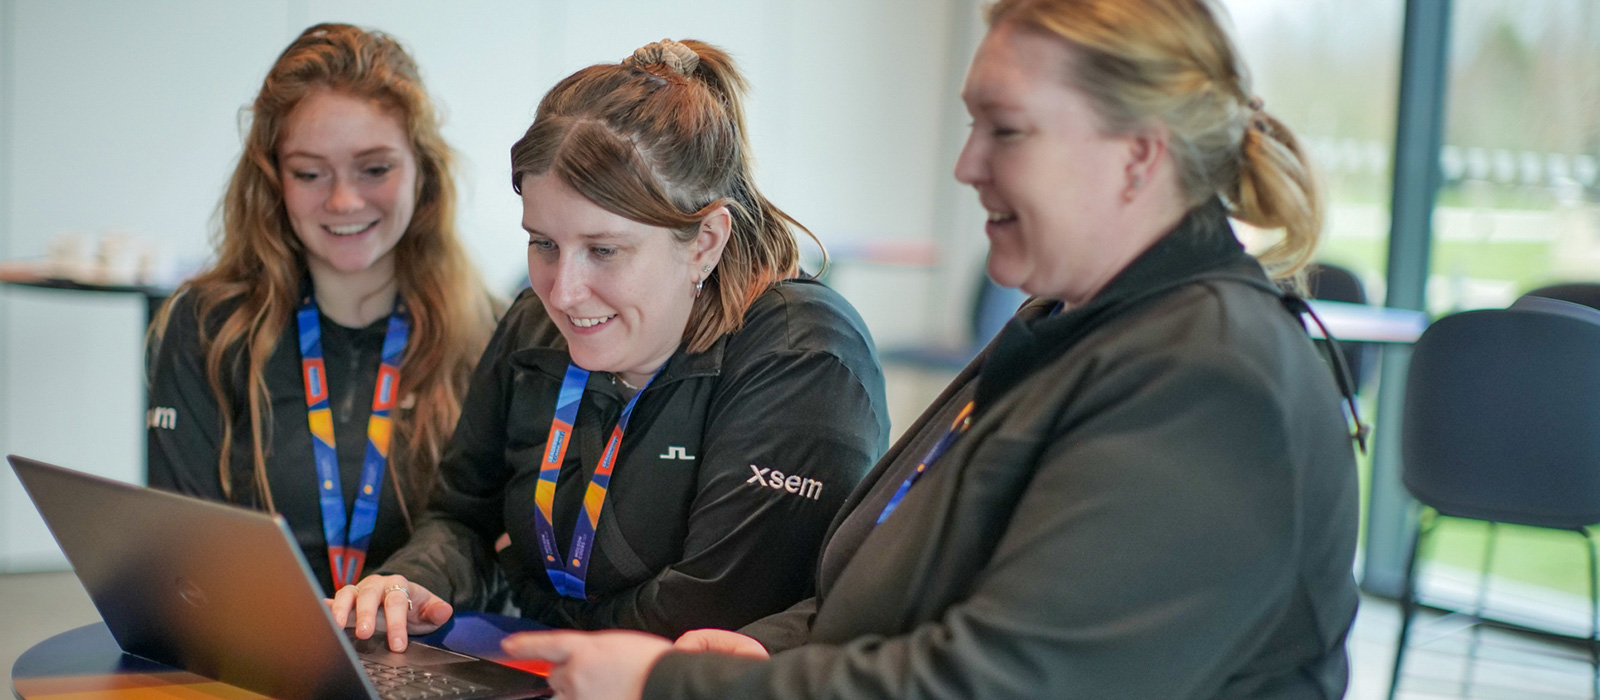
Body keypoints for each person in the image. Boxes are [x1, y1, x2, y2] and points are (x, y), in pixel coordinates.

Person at [494, 1, 1363, 698]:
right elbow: (902, 595)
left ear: (1137, 156)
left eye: (1005, 130)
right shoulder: (1067, 327)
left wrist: (675, 684)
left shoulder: (1213, 378)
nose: (966, 165)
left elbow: (1003, 681)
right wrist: (769, 651)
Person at [330, 39, 891, 651]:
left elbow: (713, 616)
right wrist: (412, 581)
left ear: (705, 242)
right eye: (544, 244)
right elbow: (463, 517)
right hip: (544, 662)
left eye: (603, 250)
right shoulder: (534, 324)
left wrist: (539, 615)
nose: (563, 292)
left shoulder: (803, 357)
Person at [147, 23, 499, 597]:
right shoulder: (209, 328)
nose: (343, 200)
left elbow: (497, 552)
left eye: (375, 169)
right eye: (309, 173)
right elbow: (180, 557)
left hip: (431, 645)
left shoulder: (489, 335)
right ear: (273, 179)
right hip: (256, 643)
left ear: (423, 171)